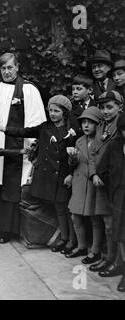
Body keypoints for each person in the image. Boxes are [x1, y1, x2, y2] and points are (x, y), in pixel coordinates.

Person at [0, 95, 78, 253]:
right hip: (47, 175)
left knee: (65, 209)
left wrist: (71, 174)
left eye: (56, 111)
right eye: (50, 110)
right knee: (58, 208)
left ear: (65, 113)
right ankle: (63, 238)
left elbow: (75, 155)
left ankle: (71, 241)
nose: (52, 114)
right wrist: (2, 128)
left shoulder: (72, 131)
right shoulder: (45, 127)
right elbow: (24, 131)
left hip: (63, 175)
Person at [0, 52, 47, 243]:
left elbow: (36, 125)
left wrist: (30, 149)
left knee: (10, 188)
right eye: (3, 68)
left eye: (10, 67)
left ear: (18, 67)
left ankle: (7, 231)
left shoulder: (28, 90)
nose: (7, 72)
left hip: (16, 148)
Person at [88, 91, 123, 275]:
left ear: (120, 107)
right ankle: (109, 257)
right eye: (102, 107)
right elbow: (93, 151)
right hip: (99, 181)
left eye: (110, 107)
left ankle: (117, 262)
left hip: (114, 183)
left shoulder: (121, 127)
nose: (105, 111)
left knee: (115, 225)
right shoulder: (101, 125)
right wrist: (93, 173)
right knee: (105, 223)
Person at [67, 107, 107, 264]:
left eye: (90, 122)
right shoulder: (79, 140)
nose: (86, 126)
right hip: (79, 183)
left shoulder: (101, 141)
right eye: (84, 122)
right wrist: (72, 158)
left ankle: (95, 251)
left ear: (98, 124)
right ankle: (82, 246)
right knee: (75, 216)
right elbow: (74, 163)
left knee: (95, 218)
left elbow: (98, 162)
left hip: (93, 184)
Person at [97, 112, 125, 292]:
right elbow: (101, 169)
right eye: (123, 130)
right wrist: (112, 187)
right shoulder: (115, 146)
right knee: (121, 234)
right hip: (119, 196)